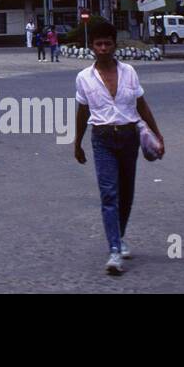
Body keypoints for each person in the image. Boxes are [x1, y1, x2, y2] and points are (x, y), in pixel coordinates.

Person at [74, 20, 164, 275]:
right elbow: (82, 112)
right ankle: (114, 250)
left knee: (126, 193)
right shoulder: (83, 78)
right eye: (98, 44)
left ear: (115, 45)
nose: (103, 48)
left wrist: (157, 134)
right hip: (101, 139)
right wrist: (77, 143)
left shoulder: (129, 72)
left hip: (128, 138)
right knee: (109, 194)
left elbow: (142, 105)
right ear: (91, 46)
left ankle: (119, 236)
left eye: (107, 44)